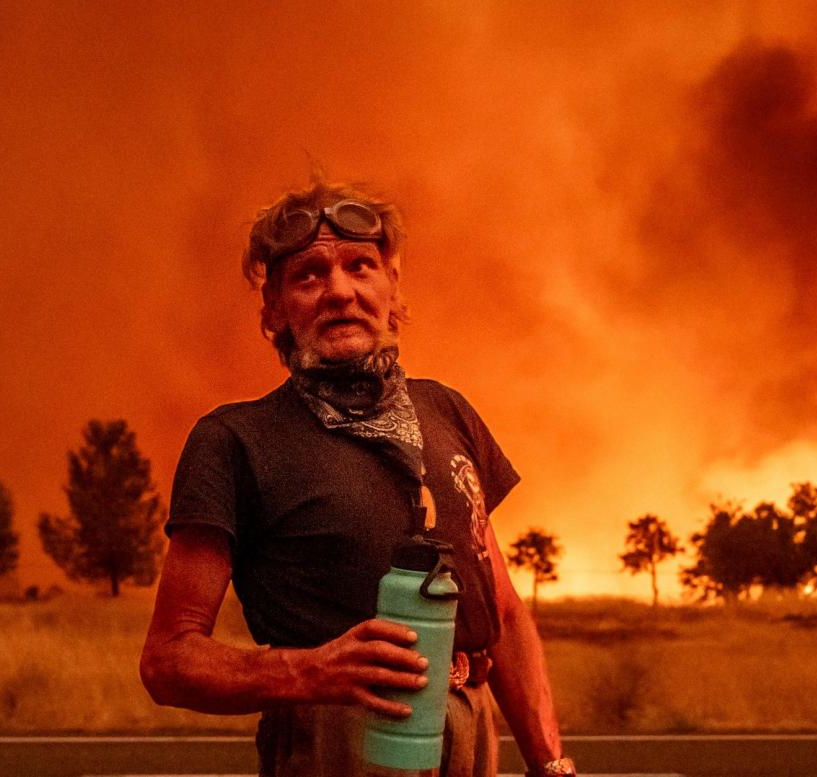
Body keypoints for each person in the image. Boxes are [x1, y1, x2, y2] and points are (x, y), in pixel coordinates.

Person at [140, 179, 575, 777]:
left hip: (473, 733)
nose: (340, 291)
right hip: (335, 738)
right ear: (274, 309)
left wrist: (550, 764)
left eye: (360, 265)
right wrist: (313, 671)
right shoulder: (235, 440)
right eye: (309, 275)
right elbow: (168, 660)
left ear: (392, 288)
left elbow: (500, 611)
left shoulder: (446, 410)